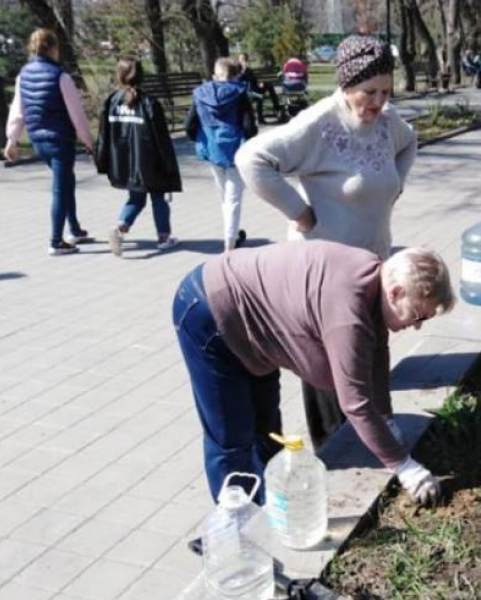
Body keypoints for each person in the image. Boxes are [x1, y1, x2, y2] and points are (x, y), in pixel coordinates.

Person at [236, 35, 418, 449]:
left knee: (375, 346)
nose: (379, 102)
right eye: (369, 92)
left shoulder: (388, 124)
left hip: (372, 260)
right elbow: (251, 159)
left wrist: (395, 185)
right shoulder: (319, 124)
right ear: (346, 86)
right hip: (322, 274)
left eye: (386, 92)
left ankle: (381, 425)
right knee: (327, 364)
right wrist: (299, 213)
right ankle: (335, 446)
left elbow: (410, 143)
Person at [173, 241, 455, 506]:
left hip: (251, 323)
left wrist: (385, 416)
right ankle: (234, 529)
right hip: (208, 312)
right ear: (395, 293)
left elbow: (378, 352)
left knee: (267, 425)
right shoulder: (348, 311)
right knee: (231, 435)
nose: (416, 326)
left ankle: (271, 506)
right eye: (417, 315)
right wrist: (403, 466)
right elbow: (354, 403)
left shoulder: (374, 279)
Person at [4, 28, 94, 256]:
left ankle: (75, 229)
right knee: (60, 189)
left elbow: (18, 110)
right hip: (60, 140)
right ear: (53, 48)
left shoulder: (23, 75)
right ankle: (56, 241)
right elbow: (76, 113)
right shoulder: (60, 76)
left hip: (37, 139)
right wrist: (89, 141)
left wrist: (12, 141)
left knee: (66, 181)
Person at [96, 59, 182, 256]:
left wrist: (104, 160)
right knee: (158, 197)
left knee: (136, 198)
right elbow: (162, 139)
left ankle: (120, 229)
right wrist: (168, 166)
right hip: (150, 162)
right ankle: (164, 237)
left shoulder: (112, 101)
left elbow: (103, 135)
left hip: (123, 163)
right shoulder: (149, 103)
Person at [186, 57, 257, 252]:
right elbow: (249, 126)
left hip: (212, 149)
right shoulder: (241, 94)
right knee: (234, 199)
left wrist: (200, 138)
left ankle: (231, 234)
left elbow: (189, 125)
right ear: (236, 76)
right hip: (236, 150)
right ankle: (230, 242)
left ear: (214, 76)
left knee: (225, 197)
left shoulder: (200, 94)